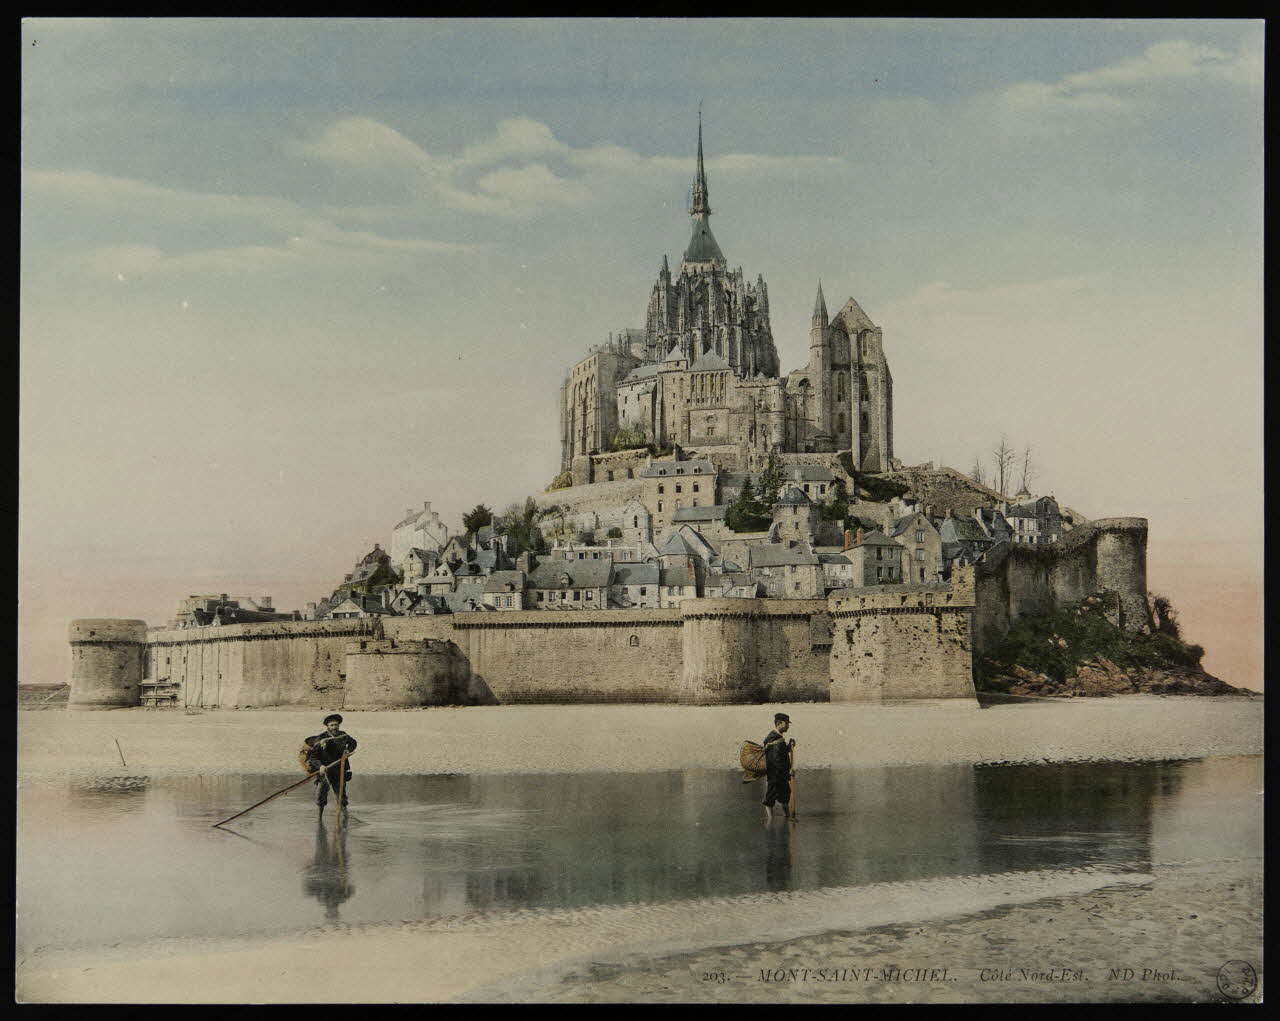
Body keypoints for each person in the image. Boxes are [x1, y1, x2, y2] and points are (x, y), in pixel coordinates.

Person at [307, 713, 357, 818]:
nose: (334, 727)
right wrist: (320, 766)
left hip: (339, 771)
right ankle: (319, 818)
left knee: (341, 796)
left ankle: (345, 816)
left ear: (339, 725)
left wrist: (348, 750)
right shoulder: (321, 738)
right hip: (325, 772)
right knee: (321, 796)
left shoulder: (344, 736)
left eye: (336, 725)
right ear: (327, 726)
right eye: (332, 725)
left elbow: (353, 743)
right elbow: (313, 757)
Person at [761, 712, 794, 819]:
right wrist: (788, 770)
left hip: (780, 774)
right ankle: (770, 820)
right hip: (775, 775)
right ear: (779, 723)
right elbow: (776, 760)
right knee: (771, 797)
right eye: (786, 723)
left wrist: (789, 746)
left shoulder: (778, 737)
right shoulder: (773, 738)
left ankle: (787, 815)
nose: (788, 726)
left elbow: (782, 752)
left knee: (785, 794)